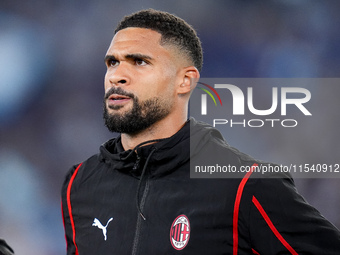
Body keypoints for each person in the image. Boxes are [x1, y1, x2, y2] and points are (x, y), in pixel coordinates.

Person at [61, 9, 340, 254]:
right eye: (112, 62)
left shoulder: (245, 185)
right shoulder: (78, 185)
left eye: (140, 62)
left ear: (184, 81)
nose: (116, 75)